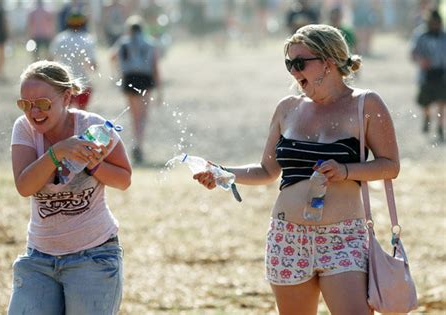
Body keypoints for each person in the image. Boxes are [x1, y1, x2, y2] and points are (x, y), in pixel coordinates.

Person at [193, 24, 400, 315]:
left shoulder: (365, 104)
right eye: (289, 64)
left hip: (342, 237)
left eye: (300, 63)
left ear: (328, 62)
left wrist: (346, 170)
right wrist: (222, 172)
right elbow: (266, 170)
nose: (293, 72)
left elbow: (390, 166)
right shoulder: (287, 108)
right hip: (286, 237)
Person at [8, 60, 132, 314]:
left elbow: (124, 179)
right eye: (25, 105)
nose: (34, 112)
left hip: (94, 256)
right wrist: (57, 152)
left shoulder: (93, 127)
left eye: (42, 103)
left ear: (66, 97)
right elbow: (24, 185)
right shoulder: (24, 129)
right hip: (39, 258)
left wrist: (95, 166)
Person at [111, 15, 161, 164]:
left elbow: (112, 56)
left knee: (134, 115)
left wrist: (117, 72)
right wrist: (160, 90)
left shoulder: (123, 42)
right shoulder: (150, 43)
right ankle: (139, 144)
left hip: (129, 77)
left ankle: (135, 143)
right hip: (145, 78)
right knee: (143, 115)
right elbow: (155, 67)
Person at [49, 11, 97, 110]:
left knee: (64, 113)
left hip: (63, 81)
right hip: (83, 82)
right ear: (83, 23)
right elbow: (93, 66)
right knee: (83, 114)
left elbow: (50, 60)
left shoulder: (60, 38)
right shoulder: (87, 39)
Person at [411, 9, 446, 142]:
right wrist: (421, 60)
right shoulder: (421, 36)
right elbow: (413, 53)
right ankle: (427, 117)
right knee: (425, 102)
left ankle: (440, 127)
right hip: (426, 75)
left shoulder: (444, 36)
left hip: (442, 75)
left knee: (441, 103)